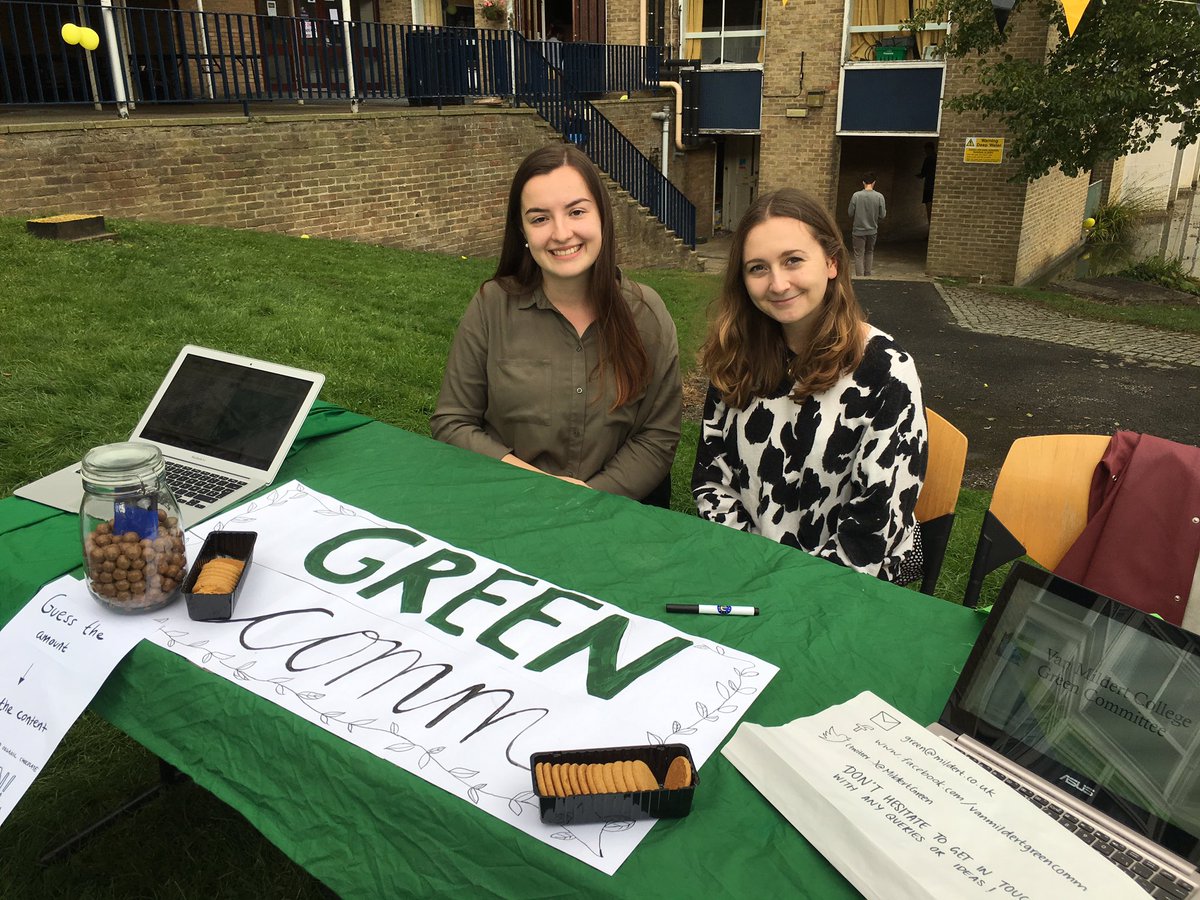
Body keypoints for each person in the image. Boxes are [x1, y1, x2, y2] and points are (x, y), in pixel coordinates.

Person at [691, 188, 927, 582]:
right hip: (748, 566)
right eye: (758, 268)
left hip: (851, 582)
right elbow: (712, 480)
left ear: (831, 262)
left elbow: (874, 523)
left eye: (793, 261)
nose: (778, 284)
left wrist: (792, 590)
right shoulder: (737, 356)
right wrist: (748, 566)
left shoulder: (886, 370)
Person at [431, 144, 682, 506]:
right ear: (523, 231)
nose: (561, 233)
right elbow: (453, 423)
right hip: (508, 506)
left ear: (602, 217)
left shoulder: (648, 314)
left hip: (614, 519)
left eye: (576, 211)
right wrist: (543, 488)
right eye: (540, 218)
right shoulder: (491, 306)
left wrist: (590, 499)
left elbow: (657, 436)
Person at [847, 173, 886, 277]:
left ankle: (859, 276)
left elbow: (850, 213)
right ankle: (868, 274)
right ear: (874, 183)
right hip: (872, 230)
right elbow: (882, 215)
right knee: (869, 252)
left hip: (858, 230)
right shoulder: (879, 196)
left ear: (863, 182)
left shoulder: (856, 195)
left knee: (858, 254)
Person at [917, 142, 936, 224]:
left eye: (926, 150)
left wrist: (918, 176)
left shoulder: (928, 159)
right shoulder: (937, 158)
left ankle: (930, 231)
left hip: (929, 187)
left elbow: (923, 174)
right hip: (935, 187)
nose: (925, 152)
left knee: (929, 209)